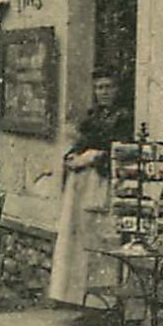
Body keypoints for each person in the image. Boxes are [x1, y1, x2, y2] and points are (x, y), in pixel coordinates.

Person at [48, 72, 134, 304]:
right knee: (79, 240)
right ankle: (79, 298)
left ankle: (103, 303)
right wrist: (73, 155)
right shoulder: (93, 116)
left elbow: (119, 150)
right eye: (99, 88)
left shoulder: (124, 117)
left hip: (104, 182)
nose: (104, 92)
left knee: (102, 240)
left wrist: (93, 156)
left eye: (109, 87)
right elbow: (80, 143)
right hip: (83, 183)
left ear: (118, 89)